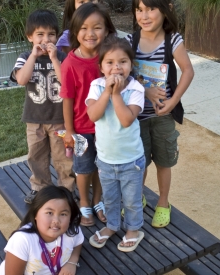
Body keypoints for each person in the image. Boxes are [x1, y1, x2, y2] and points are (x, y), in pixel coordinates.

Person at [126, 0, 194, 227]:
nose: (144, 15)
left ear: (166, 9)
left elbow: (188, 70)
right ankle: (138, 197)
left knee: (164, 162)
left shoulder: (172, 40)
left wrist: (173, 101)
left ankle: (163, 202)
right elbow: (121, 72)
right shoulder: (130, 41)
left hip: (163, 115)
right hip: (137, 116)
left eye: (150, 8)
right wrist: (145, 89)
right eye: (139, 9)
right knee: (140, 162)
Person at [10, 9, 76, 204]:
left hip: (59, 119)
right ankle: (40, 188)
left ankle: (66, 188)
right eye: (40, 34)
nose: (46, 39)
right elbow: (21, 79)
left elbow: (67, 83)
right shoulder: (24, 57)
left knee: (63, 158)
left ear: (57, 36)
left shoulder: (63, 58)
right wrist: (33, 56)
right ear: (30, 37)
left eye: (51, 35)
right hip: (34, 119)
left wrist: (54, 59)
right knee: (36, 155)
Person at [86, 36, 146, 252]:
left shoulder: (136, 89)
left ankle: (133, 229)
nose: (116, 67)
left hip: (131, 160)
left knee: (131, 201)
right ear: (101, 66)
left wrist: (117, 94)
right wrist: (106, 92)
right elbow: (93, 114)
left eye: (123, 62)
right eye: (110, 62)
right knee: (110, 199)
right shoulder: (96, 86)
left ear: (131, 65)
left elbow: (127, 119)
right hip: (105, 160)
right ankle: (112, 226)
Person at [60, 2, 116, 226]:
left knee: (101, 167)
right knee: (83, 170)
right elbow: (67, 99)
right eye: (83, 28)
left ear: (107, 30)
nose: (90, 34)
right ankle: (84, 203)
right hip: (81, 130)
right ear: (74, 31)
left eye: (97, 27)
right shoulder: (70, 63)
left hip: (105, 126)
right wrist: (70, 131)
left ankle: (97, 200)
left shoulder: (109, 59)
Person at [0, 185, 83, 275]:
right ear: (35, 214)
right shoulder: (22, 240)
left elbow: (78, 242)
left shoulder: (71, 230)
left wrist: (72, 262)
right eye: (49, 213)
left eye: (63, 214)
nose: (56, 221)